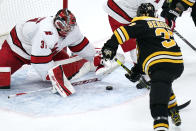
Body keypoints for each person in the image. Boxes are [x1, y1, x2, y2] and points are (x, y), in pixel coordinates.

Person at [0, 8, 125, 97]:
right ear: (56, 23)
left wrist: (95, 58)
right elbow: (39, 62)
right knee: (1, 81)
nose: (67, 30)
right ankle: (78, 65)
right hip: (16, 50)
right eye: (63, 26)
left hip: (51, 51)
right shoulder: (45, 31)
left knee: (65, 69)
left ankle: (84, 64)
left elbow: (81, 46)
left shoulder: (72, 30)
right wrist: (55, 78)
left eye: (69, 27)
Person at [101, 3, 184, 131]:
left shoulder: (142, 22)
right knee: (164, 81)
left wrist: (110, 46)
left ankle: (161, 123)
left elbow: (122, 32)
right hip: (177, 64)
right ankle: (173, 109)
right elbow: (152, 48)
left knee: (158, 94)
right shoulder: (162, 23)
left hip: (159, 63)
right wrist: (138, 70)